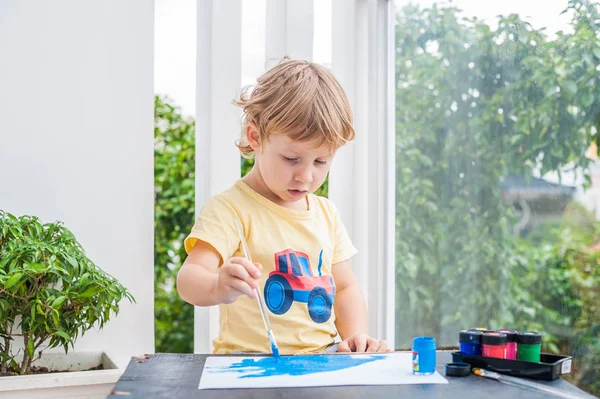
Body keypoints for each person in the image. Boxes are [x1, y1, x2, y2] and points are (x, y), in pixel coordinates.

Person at [176, 59, 389, 355]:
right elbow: (189, 279)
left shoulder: (326, 214)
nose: (306, 175)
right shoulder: (230, 209)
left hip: (322, 359)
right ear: (255, 137)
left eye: (321, 161)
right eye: (291, 159)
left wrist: (355, 337)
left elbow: (344, 288)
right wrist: (217, 286)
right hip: (248, 363)